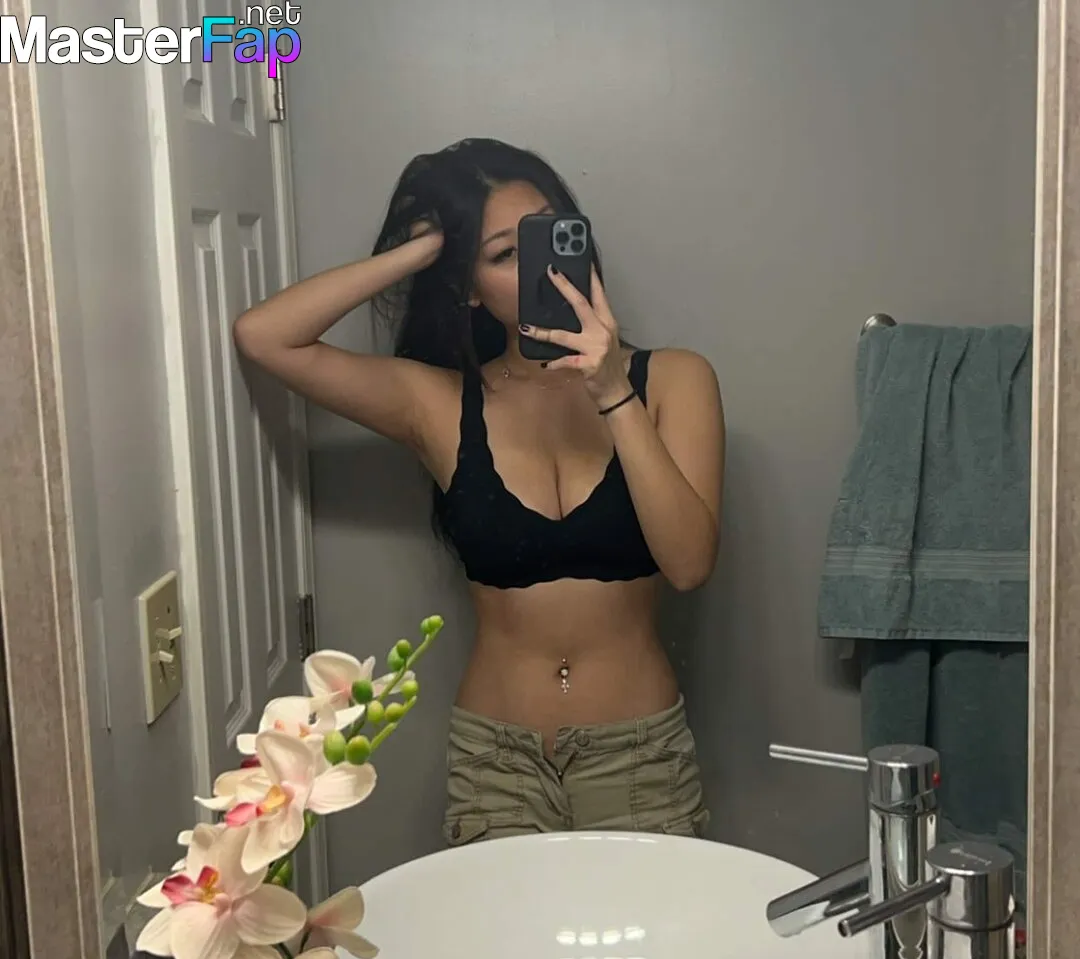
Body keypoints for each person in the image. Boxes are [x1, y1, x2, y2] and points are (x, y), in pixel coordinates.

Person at [233, 137, 725, 844]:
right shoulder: (439, 403)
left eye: (550, 234)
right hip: (497, 763)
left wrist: (613, 389)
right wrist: (426, 251)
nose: (542, 267)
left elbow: (689, 563)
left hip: (640, 756)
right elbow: (265, 337)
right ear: (469, 288)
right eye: (505, 254)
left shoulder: (675, 379)